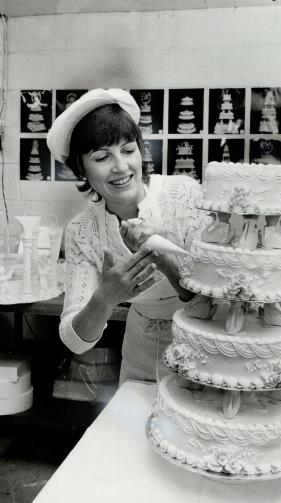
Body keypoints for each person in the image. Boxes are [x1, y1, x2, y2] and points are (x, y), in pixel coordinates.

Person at [47, 88, 207, 385]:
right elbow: (75, 340)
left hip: (203, 344)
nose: (121, 166)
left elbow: (211, 300)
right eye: (102, 156)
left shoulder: (182, 195)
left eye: (128, 150)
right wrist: (105, 298)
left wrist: (163, 257)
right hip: (140, 348)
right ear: (80, 168)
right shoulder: (82, 231)